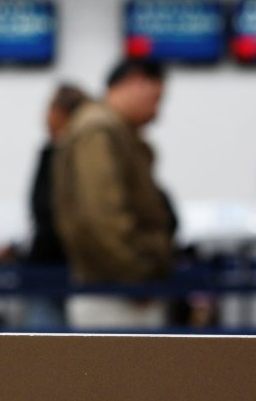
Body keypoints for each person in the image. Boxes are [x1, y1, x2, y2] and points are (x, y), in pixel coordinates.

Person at [53, 58, 175, 329]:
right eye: (155, 98)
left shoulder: (111, 131)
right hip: (116, 295)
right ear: (135, 80)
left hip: (118, 289)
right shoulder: (99, 131)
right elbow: (102, 217)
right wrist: (137, 280)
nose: (156, 113)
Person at [23, 83, 89, 329]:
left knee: (44, 353)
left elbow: (43, 209)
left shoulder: (62, 154)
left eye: (50, 108)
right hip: (62, 268)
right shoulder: (56, 151)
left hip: (54, 269)